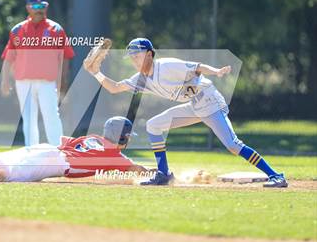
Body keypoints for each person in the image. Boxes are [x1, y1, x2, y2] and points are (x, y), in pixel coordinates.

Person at [88, 38, 288, 188]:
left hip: (208, 101)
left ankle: (276, 175)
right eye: (131, 57)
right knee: (153, 125)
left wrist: (217, 71)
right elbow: (114, 87)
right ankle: (163, 173)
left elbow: (197, 67)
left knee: (233, 145)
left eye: (137, 55)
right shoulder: (140, 78)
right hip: (193, 105)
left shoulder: (166, 66)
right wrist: (95, 72)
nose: (134, 60)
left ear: (149, 54)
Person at [0, 117, 150, 182]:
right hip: (54, 162)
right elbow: (137, 169)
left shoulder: (93, 138)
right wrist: (157, 173)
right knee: (6, 175)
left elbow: (64, 142)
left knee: (0, 163)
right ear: (123, 137)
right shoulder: (114, 156)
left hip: (47, 149)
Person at [0, 0, 75, 146]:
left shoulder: (56, 30)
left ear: (46, 7)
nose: (38, 9)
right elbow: (8, 58)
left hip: (47, 82)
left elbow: (65, 57)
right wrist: (5, 80)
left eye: (42, 5)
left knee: (51, 117)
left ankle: (59, 152)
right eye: (35, 5)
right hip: (23, 82)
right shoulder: (17, 30)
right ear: (28, 7)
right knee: (29, 119)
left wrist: (63, 80)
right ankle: (31, 153)